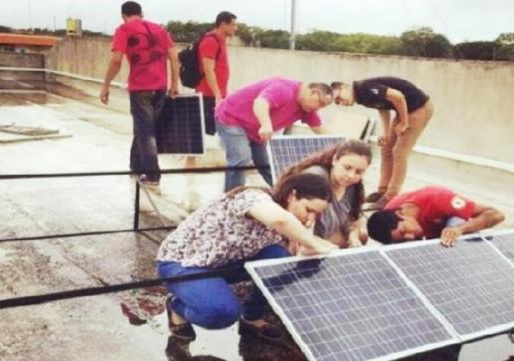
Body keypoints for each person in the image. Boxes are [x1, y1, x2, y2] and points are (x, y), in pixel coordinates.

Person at [157, 173, 337, 341]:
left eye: (316, 214)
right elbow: (279, 220)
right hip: (183, 264)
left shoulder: (292, 219)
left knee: (280, 258)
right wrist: (314, 244)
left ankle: (252, 317)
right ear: (292, 195)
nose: (310, 218)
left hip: (224, 262)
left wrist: (315, 250)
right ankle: (177, 307)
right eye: (308, 209)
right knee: (222, 313)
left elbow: (296, 249)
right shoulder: (253, 197)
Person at [100, 1, 180, 188]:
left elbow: (116, 60)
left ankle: (152, 176)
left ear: (123, 16)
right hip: (160, 87)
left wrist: (105, 85)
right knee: (143, 128)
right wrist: (174, 84)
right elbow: (174, 57)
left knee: (146, 132)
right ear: (141, 13)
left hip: (140, 88)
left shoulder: (124, 29)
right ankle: (135, 166)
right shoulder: (160, 30)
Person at [331, 77, 434, 209]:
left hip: (419, 108)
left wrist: (404, 122)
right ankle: (382, 192)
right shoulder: (361, 97)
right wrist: (386, 134)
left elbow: (398, 96)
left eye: (339, 98)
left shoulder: (364, 87)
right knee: (386, 148)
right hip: (405, 110)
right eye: (337, 103)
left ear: (345, 87)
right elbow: (382, 108)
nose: (341, 103)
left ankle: (391, 197)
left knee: (399, 152)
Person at [215, 78, 333, 191]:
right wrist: (266, 124)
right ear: (313, 92)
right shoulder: (284, 89)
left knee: (268, 163)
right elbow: (260, 103)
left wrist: (340, 145)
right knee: (241, 158)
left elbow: (320, 130)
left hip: (254, 129)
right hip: (232, 117)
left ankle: (285, 192)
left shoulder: (306, 108)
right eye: (320, 104)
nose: (318, 109)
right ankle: (231, 197)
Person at [279, 140, 371, 247]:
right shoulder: (316, 178)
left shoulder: (353, 186)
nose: (351, 175)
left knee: (362, 235)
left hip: (332, 233)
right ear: (335, 160)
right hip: (304, 235)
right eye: (347, 167)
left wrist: (353, 237)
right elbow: (296, 226)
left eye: (358, 172)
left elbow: (354, 221)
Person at [366, 185, 504, 247]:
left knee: (455, 221)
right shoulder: (385, 218)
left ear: (401, 214)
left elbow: (496, 215)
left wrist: (459, 229)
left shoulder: (438, 199)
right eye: (403, 237)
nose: (410, 237)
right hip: (430, 238)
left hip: (449, 230)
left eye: (404, 231)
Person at [184, 11, 238, 168]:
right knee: (201, 128)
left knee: (222, 126)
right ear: (223, 24)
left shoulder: (221, 41)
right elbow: (208, 70)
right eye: (233, 25)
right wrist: (217, 95)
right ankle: (190, 162)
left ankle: (234, 159)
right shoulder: (210, 41)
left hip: (217, 94)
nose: (235, 28)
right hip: (209, 94)